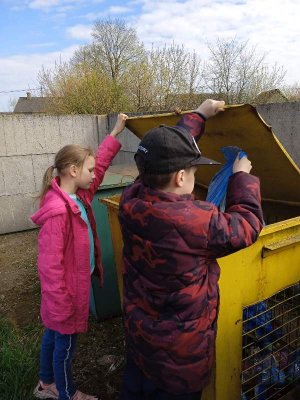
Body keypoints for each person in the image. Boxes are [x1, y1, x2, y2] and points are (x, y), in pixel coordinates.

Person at [118, 99, 264, 400]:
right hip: (180, 359)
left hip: (142, 340)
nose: (196, 179)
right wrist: (241, 176)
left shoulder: (131, 199)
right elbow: (248, 224)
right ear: (181, 178)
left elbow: (161, 152)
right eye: (195, 172)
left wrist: (198, 116)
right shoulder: (198, 221)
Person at [31, 113, 128, 400]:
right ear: (73, 171)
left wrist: (115, 133)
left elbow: (100, 166)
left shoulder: (78, 196)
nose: (94, 174)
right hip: (65, 295)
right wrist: (62, 303)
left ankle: (45, 383)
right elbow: (49, 266)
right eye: (89, 169)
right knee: (66, 346)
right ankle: (66, 393)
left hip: (70, 288)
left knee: (52, 336)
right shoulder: (59, 211)